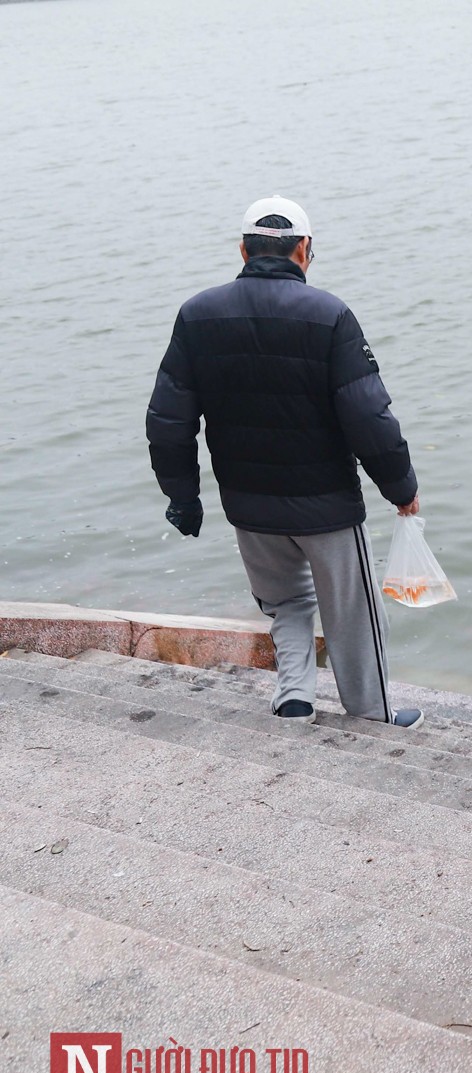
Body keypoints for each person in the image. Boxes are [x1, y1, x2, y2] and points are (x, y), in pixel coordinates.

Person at [145, 196, 424, 729]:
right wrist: (400, 488)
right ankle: (371, 714)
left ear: (244, 249)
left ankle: (294, 698)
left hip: (249, 504)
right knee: (353, 616)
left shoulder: (197, 315)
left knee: (285, 604)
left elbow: (168, 418)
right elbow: (369, 416)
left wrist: (182, 496)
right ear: (305, 250)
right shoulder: (330, 315)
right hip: (328, 509)